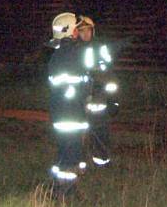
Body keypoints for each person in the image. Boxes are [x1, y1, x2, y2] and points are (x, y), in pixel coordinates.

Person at [45, 13, 119, 191]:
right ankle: (65, 192)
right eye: (78, 29)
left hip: (61, 110)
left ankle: (57, 186)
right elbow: (94, 73)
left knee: (65, 150)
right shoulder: (76, 53)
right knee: (71, 150)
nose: (81, 33)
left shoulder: (58, 54)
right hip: (71, 112)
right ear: (72, 31)